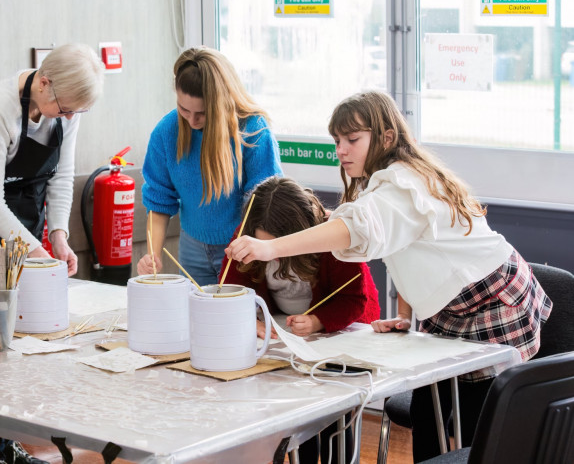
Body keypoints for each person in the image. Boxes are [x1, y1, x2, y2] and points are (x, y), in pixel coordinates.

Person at [226, 91, 552, 462]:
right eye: (337, 141)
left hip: (491, 302)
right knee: (429, 415)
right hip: (451, 311)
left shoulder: (400, 183)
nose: (341, 150)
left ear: (386, 138)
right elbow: (409, 252)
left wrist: (270, 248)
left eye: (352, 139)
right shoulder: (386, 183)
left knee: (478, 428)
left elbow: (356, 229)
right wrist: (407, 315)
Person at [0, 43, 104, 464]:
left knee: (29, 332)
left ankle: (14, 441)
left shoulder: (67, 109)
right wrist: (35, 250)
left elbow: (62, 176)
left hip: (27, 206)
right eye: (66, 109)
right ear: (45, 82)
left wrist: (59, 237)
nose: (69, 119)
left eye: (76, 113)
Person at [220, 176, 380, 464]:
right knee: (297, 417)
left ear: (301, 234)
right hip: (287, 339)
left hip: (341, 334)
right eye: (262, 247)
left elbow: (356, 300)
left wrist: (319, 321)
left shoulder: (332, 238)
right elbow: (231, 291)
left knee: (336, 415)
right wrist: (250, 320)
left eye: (277, 248)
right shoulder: (246, 239)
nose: (271, 256)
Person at [136, 46, 283, 285]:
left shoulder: (254, 130)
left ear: (221, 103)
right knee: (196, 314)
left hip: (241, 249)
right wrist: (152, 253)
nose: (192, 121)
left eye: (202, 114)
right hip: (191, 249)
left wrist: (254, 251)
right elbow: (159, 200)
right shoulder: (166, 131)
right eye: (184, 109)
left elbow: (266, 205)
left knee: (239, 318)